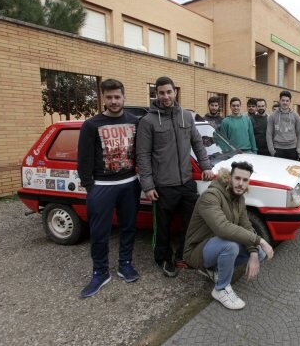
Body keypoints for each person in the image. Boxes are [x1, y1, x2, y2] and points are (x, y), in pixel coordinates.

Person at [136, 76, 213, 277]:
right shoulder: (148, 121)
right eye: (161, 92)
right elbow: (142, 155)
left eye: (169, 92)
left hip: (186, 182)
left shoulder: (186, 116)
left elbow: (197, 143)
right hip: (163, 186)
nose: (166, 96)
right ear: (156, 94)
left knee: (191, 223)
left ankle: (182, 255)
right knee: (162, 227)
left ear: (175, 92)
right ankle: (163, 258)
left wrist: (205, 166)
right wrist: (148, 185)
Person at [77, 78, 141, 298]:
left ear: (124, 97)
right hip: (101, 186)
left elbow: (141, 152)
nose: (114, 101)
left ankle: (125, 264)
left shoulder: (135, 121)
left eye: (117, 97)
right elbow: (83, 159)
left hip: (129, 184)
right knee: (99, 232)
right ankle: (100, 272)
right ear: (103, 98)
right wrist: (90, 187)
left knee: (128, 228)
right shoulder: (91, 125)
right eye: (109, 97)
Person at [183, 161, 274, 310]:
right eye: (237, 178)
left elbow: (246, 226)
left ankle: (216, 270)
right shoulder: (211, 196)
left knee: (260, 253)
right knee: (230, 246)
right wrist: (260, 240)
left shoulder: (239, 199)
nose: (241, 184)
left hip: (216, 244)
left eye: (245, 180)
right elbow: (222, 229)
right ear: (229, 177)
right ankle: (220, 289)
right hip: (196, 251)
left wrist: (253, 252)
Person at [266, 90, 300, 160]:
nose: (285, 103)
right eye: (283, 100)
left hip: (292, 149)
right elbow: (268, 134)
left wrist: (299, 150)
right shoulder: (273, 116)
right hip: (277, 149)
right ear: (279, 101)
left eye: (287, 101)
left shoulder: (295, 115)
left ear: (290, 102)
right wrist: (272, 151)